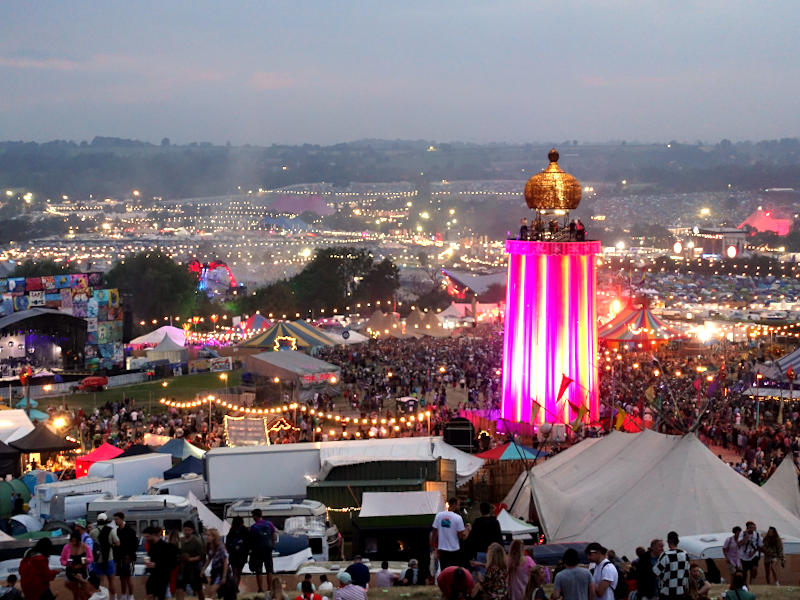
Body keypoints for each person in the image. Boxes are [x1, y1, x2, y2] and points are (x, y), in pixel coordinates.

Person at [432, 497, 470, 570]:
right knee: (454, 571)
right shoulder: (458, 518)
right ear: (454, 504)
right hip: (454, 549)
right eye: (458, 505)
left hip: (442, 549)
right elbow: (460, 536)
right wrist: (467, 530)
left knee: (444, 570)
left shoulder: (439, 516)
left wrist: (432, 545)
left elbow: (434, 531)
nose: (459, 507)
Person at [143, 525, 179, 600]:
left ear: (153, 535)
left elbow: (170, 562)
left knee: (160, 596)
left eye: (147, 536)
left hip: (163, 575)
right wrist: (147, 568)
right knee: (150, 593)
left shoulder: (166, 546)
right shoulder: (152, 545)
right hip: (153, 574)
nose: (146, 539)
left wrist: (156, 564)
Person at [90, 513, 119, 600]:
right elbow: (117, 543)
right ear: (106, 521)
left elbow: (91, 544)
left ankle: (103, 598)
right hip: (109, 558)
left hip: (98, 559)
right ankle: (114, 598)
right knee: (111, 580)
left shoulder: (93, 532)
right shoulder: (111, 530)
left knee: (101, 582)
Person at [653, 531, 689, 600]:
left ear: (668, 541)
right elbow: (686, 574)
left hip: (667, 592)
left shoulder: (665, 555)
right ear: (678, 541)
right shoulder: (685, 554)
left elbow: (656, 572)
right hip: (680, 591)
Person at [249, 508, 277, 593]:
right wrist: (272, 545)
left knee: (259, 571)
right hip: (268, 550)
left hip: (258, 551)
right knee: (269, 570)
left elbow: (251, 540)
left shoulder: (254, 527)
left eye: (253, 516)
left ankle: (260, 589)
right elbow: (274, 536)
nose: (253, 518)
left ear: (256, 516)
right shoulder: (269, 524)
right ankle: (269, 588)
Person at [177, 520, 205, 600]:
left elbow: (201, 556)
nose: (186, 532)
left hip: (194, 568)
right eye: (185, 530)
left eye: (188, 530)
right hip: (183, 568)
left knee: (198, 589)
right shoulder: (181, 540)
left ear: (192, 530)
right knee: (180, 588)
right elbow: (178, 552)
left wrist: (190, 559)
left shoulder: (197, 541)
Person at [61, 530, 93, 600]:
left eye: (75, 541)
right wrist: (66, 563)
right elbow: (62, 560)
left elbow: (91, 558)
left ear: (79, 540)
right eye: (72, 541)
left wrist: (86, 561)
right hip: (71, 572)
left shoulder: (85, 547)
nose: (74, 543)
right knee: (75, 593)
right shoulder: (67, 547)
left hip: (83, 571)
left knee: (85, 591)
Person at [204, 529, 235, 600]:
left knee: (212, 592)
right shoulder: (209, 546)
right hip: (215, 571)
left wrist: (224, 576)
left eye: (209, 535)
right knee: (211, 592)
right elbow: (209, 558)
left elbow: (225, 562)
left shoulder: (220, 547)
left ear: (214, 537)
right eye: (207, 535)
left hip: (221, 572)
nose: (207, 537)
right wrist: (203, 569)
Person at [113, 512, 138, 600]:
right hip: (120, 557)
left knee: (128, 577)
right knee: (121, 577)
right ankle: (123, 595)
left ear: (122, 519)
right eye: (114, 519)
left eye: (117, 519)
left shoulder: (130, 531)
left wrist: (129, 556)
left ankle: (131, 596)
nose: (115, 521)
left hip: (128, 558)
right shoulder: (117, 531)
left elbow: (135, 545)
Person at [225, 516, 250, 588]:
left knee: (234, 572)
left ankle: (233, 588)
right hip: (242, 555)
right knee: (239, 573)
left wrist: (230, 551)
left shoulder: (231, 530)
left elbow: (227, 543)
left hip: (233, 555)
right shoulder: (245, 530)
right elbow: (249, 543)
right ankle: (236, 588)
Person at [739, 522, 762, 587]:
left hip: (754, 554)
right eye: (750, 528)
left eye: (753, 527)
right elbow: (740, 543)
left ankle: (752, 582)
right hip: (744, 556)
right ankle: (745, 584)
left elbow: (760, 545)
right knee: (745, 572)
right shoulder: (742, 533)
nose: (752, 529)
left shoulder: (757, 534)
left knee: (754, 569)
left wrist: (755, 552)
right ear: (747, 528)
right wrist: (746, 536)